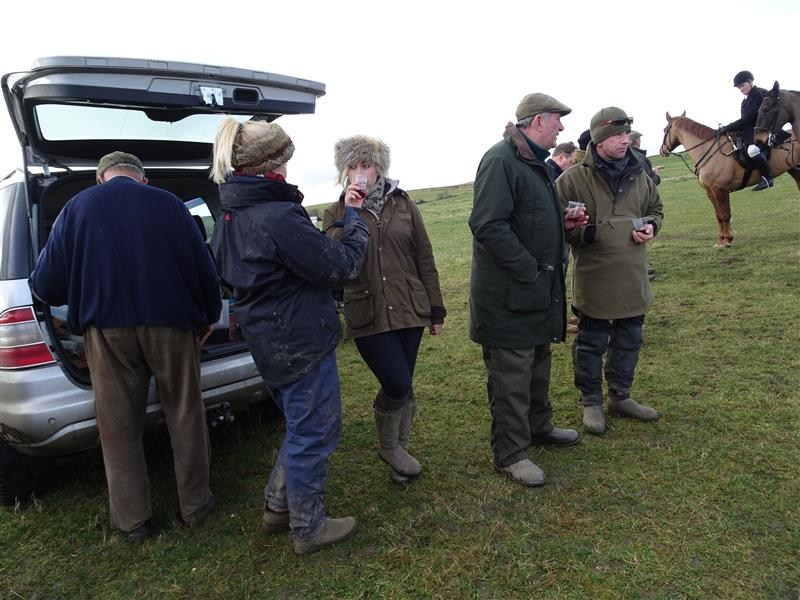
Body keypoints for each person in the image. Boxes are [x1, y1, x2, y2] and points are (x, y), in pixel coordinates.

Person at [31, 151, 221, 541]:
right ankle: (196, 506)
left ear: (100, 178)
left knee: (118, 426)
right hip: (172, 324)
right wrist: (208, 316)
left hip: (106, 331)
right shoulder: (170, 204)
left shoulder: (76, 207)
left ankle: (133, 522)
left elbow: (46, 285)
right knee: (185, 413)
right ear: (143, 179)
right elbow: (204, 270)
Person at [209, 119, 369, 555]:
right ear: (271, 165)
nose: (288, 168)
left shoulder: (231, 215)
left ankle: (279, 506)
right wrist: (354, 222)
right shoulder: (277, 215)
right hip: (299, 340)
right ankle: (308, 528)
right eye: (284, 160)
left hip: (269, 340)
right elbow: (341, 267)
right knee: (315, 432)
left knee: (300, 426)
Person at [469, 93, 585, 488]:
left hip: (535, 292)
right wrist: (531, 271)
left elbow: (526, 219)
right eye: (557, 120)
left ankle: (539, 427)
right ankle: (511, 454)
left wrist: (562, 225)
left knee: (537, 365)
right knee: (511, 377)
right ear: (537, 121)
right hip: (509, 295)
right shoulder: (501, 160)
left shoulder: (534, 163)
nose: (562, 128)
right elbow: (488, 226)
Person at [322, 135, 445, 484]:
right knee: (396, 381)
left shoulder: (403, 203)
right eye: (353, 166)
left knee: (405, 385)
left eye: (367, 164)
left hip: (409, 306)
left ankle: (400, 454)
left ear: (379, 168)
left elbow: (424, 256)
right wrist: (351, 214)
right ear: (344, 172)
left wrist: (436, 308)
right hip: (368, 311)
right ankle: (390, 447)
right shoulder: (335, 212)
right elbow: (330, 263)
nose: (360, 173)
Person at [556, 107, 663, 436]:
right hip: (595, 277)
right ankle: (591, 401)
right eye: (617, 135)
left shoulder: (639, 173)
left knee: (630, 339)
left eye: (627, 134)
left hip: (633, 274)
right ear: (599, 140)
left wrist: (651, 226)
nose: (625, 140)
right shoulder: (572, 179)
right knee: (591, 342)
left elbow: (655, 209)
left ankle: (620, 396)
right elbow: (554, 224)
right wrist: (578, 231)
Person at [717, 70, 773, 191]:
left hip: (760, 132)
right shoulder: (745, 100)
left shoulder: (758, 94)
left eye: (743, 85)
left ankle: (767, 178)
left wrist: (729, 127)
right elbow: (745, 121)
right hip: (748, 132)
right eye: (739, 87)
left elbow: (750, 118)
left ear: (750, 82)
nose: (741, 89)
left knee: (752, 151)